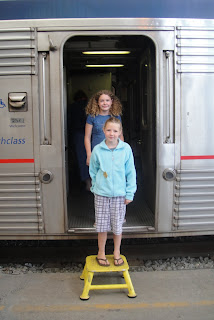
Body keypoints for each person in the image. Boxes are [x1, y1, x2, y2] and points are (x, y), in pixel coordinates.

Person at [89, 117, 137, 266]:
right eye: (109, 130)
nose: (111, 133)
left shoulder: (126, 149)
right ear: (103, 131)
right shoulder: (97, 149)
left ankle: (116, 252)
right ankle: (101, 252)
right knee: (102, 226)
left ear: (120, 132)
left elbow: (131, 172)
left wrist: (130, 193)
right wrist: (96, 187)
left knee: (117, 226)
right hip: (101, 194)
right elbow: (93, 170)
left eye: (115, 131)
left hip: (119, 195)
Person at [84, 90, 124, 166]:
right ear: (97, 103)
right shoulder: (92, 117)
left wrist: (121, 151)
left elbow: (120, 135)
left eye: (107, 100)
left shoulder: (116, 116)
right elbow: (87, 137)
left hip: (114, 152)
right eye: (102, 101)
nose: (105, 103)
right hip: (98, 153)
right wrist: (89, 155)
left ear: (111, 102)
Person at [68, 90, 91, 191]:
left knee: (82, 159)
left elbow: (69, 123)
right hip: (92, 134)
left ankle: (87, 183)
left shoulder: (72, 107)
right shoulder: (91, 106)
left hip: (79, 134)